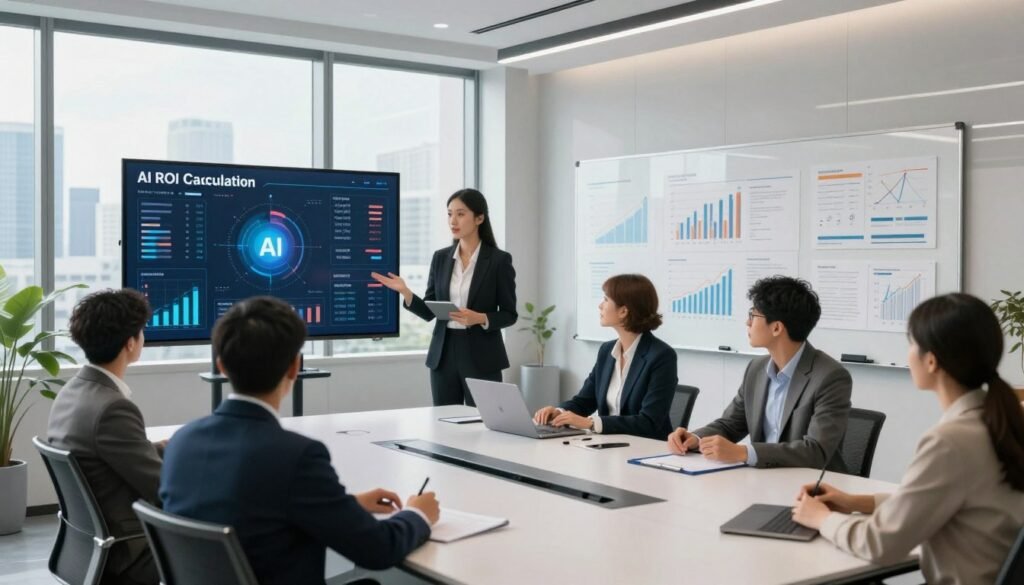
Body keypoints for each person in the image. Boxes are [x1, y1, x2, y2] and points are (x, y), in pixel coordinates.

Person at [160, 296, 439, 585]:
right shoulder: (295, 456)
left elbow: (246, 503)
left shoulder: (181, 442)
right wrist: (417, 514)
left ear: (222, 366)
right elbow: (379, 549)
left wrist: (347, 504)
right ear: (294, 366)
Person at [792, 293, 1024, 584]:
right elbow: (938, 500)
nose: (908, 354)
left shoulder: (950, 442)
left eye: (911, 344)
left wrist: (821, 518)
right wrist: (856, 502)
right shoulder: (999, 421)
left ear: (931, 361)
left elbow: (879, 544)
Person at [667, 276, 852, 469]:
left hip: (810, 482)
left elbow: (816, 451)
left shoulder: (830, 377)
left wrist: (743, 452)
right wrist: (695, 438)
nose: (747, 322)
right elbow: (731, 424)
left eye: (753, 315)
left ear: (776, 328)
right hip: (763, 477)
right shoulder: (756, 369)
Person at [47, 289, 161, 585]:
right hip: (130, 553)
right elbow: (162, 490)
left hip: (88, 547)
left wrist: (171, 447)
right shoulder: (113, 408)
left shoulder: (72, 391)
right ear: (130, 343)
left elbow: (118, 454)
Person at [371, 188, 517, 406]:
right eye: (449, 214)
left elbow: (509, 314)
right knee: (443, 419)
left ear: (479, 218)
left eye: (460, 214)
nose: (453, 221)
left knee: (483, 418)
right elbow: (429, 311)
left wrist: (479, 318)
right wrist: (405, 291)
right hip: (444, 353)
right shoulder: (440, 258)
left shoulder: (499, 261)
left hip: (482, 355)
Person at [533, 274, 677, 440]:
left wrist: (591, 423)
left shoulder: (661, 356)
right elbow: (585, 401)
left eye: (606, 299)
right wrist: (559, 412)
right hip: (609, 444)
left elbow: (649, 421)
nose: (600, 305)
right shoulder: (607, 351)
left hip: (647, 447)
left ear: (623, 311)